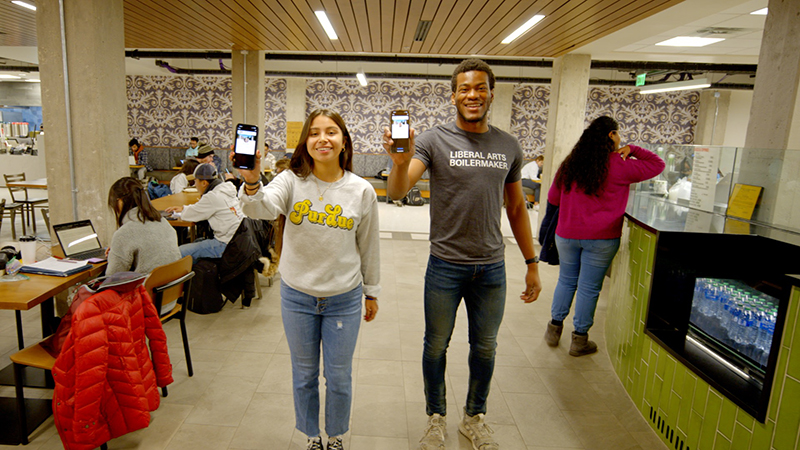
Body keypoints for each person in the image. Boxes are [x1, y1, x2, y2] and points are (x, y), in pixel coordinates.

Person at [383, 58, 542, 450]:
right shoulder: (434, 141)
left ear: (490, 93)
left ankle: (474, 417)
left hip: (492, 268)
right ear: (453, 95)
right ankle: (435, 417)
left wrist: (532, 262)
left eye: (480, 88)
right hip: (445, 266)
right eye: (465, 88)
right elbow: (397, 192)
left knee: (484, 347)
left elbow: (518, 208)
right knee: (435, 345)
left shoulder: (508, 145)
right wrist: (399, 164)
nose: (473, 95)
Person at [237, 109, 380, 450]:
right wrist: (253, 180)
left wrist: (371, 292)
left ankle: (335, 436)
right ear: (306, 143)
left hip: (343, 298)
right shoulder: (290, 181)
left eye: (331, 132)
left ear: (344, 141)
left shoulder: (361, 191)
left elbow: (369, 246)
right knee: (304, 376)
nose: (323, 139)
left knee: (339, 378)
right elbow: (260, 208)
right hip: (297, 296)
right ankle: (311, 436)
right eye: (314, 133)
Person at [544, 116, 664, 356]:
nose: (621, 139)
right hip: (602, 238)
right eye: (618, 134)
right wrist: (633, 149)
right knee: (589, 288)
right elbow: (657, 164)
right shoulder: (621, 165)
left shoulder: (570, 164)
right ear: (611, 135)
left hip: (566, 234)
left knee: (566, 280)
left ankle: (554, 329)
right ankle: (579, 340)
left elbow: (553, 199)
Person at [105, 177, 181, 278]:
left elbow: (112, 278)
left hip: (146, 291)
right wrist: (116, 250)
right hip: (171, 287)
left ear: (120, 202)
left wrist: (113, 256)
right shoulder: (162, 221)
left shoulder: (124, 233)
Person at [165, 163, 243, 262]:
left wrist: (183, 210)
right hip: (239, 241)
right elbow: (200, 209)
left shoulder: (212, 196)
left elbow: (192, 215)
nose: (194, 184)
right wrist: (183, 208)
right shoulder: (225, 189)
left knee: (179, 252)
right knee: (197, 242)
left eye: (195, 180)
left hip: (225, 244)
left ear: (204, 183)